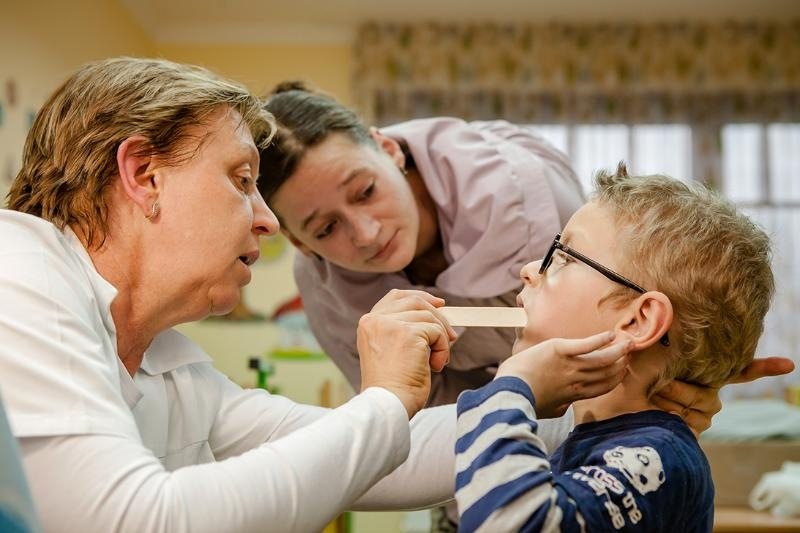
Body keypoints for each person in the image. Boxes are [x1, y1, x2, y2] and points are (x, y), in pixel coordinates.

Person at [0, 57, 482, 533]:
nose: (269, 222)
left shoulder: (171, 370)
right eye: (242, 180)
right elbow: (133, 520)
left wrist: (524, 392)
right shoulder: (18, 271)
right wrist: (387, 398)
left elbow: (381, 457)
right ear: (145, 175)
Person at [454, 165, 780, 532]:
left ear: (638, 321)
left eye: (563, 256)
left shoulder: (658, 458)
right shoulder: (603, 445)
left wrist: (512, 387)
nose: (529, 269)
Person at [259, 82, 586, 405]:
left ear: (389, 150)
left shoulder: (531, 200)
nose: (367, 234)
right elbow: (410, 410)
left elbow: (600, 330)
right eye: (327, 228)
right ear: (299, 242)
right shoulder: (323, 289)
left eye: (366, 191)